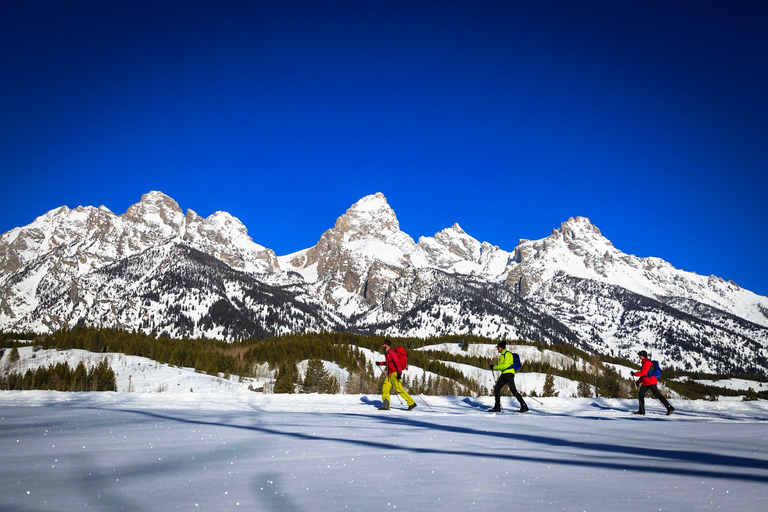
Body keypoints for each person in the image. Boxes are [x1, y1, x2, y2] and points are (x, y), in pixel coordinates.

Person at [375, 339, 417, 411]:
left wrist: (399, 373)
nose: (382, 345)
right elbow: (388, 362)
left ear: (387, 345)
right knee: (385, 389)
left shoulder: (392, 353)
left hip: (395, 374)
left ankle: (411, 403)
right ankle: (386, 406)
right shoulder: (387, 353)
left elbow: (397, 362)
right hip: (389, 375)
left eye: (383, 344)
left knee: (399, 389)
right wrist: (380, 363)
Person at [488, 341, 528, 413]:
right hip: (504, 374)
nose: (497, 349)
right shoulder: (503, 355)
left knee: (513, 391)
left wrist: (494, 367)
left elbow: (506, 365)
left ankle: (524, 406)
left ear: (502, 348)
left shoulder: (508, 354)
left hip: (509, 374)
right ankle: (497, 407)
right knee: (497, 388)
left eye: (498, 347)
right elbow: (503, 366)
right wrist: (496, 367)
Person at [632, 350, 674, 416]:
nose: (639, 356)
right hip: (646, 382)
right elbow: (645, 375)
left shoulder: (647, 363)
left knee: (657, 395)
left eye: (640, 355)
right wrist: (638, 382)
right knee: (640, 394)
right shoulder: (644, 363)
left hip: (651, 382)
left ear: (643, 356)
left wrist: (635, 374)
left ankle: (670, 408)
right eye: (639, 355)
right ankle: (641, 410)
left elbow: (643, 373)